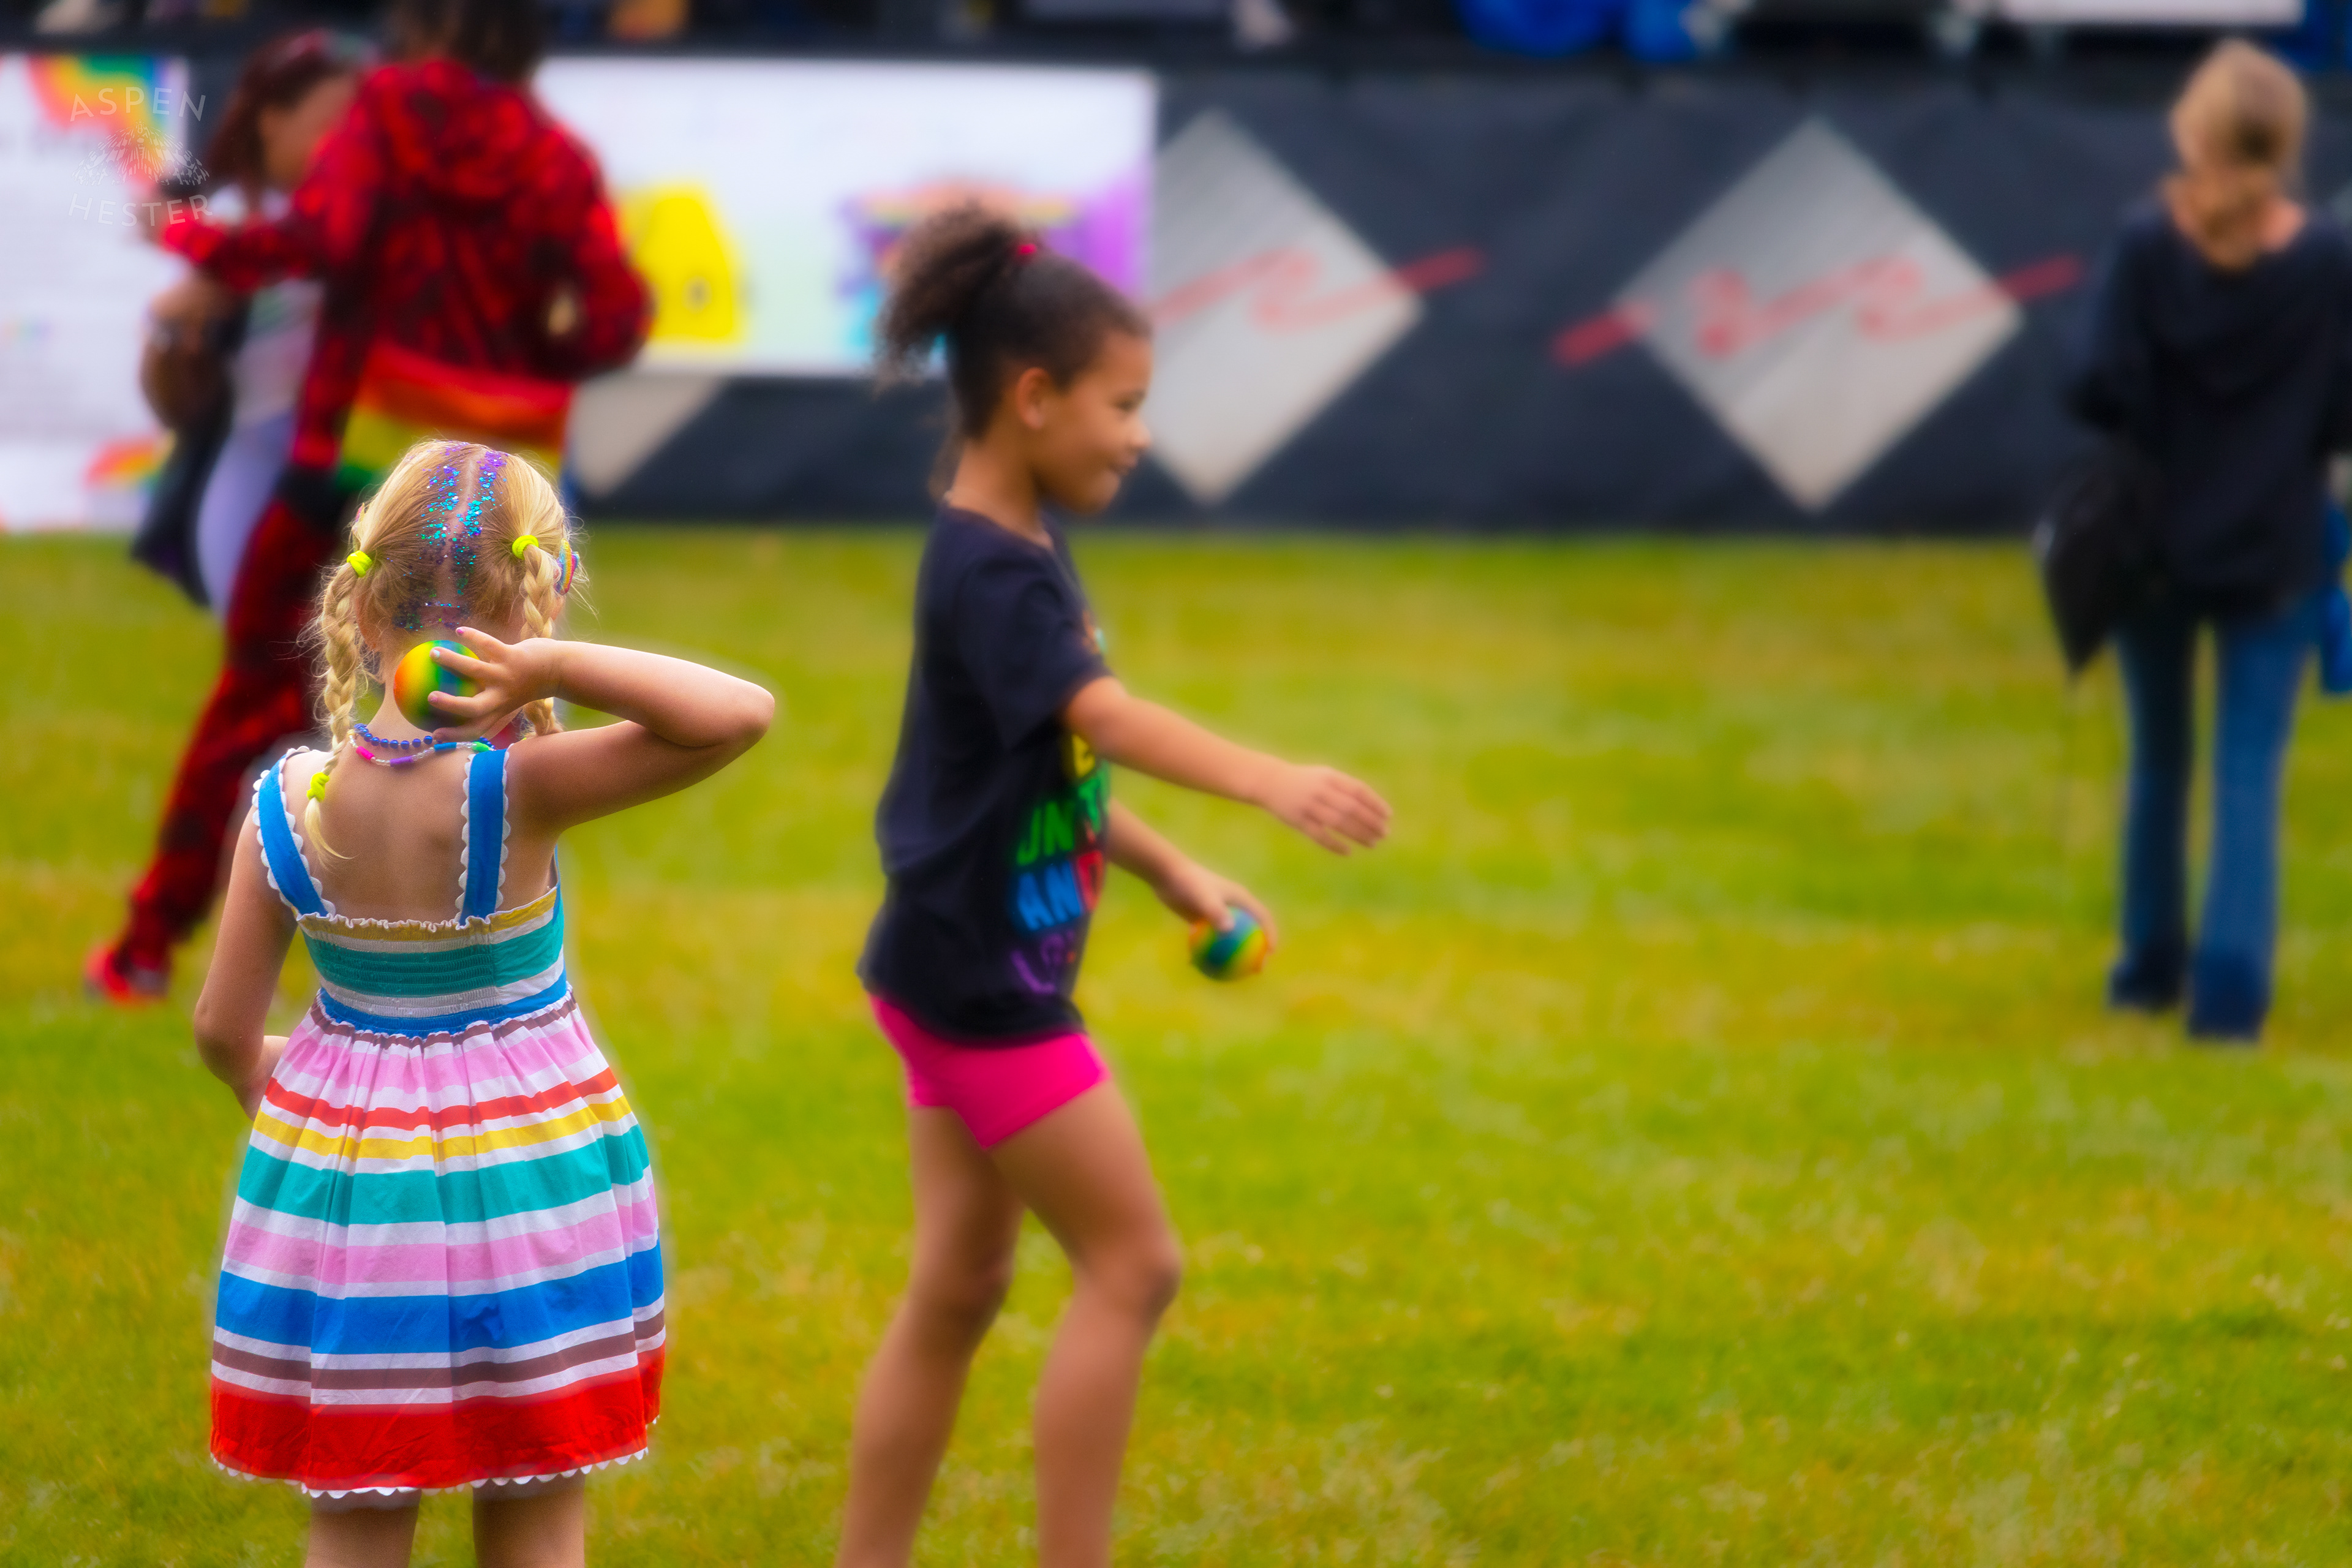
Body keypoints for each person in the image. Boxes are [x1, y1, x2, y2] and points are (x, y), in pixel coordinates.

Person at [839, 207, 1393, 1568]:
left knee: (961, 1284)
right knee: (1136, 1265)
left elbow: (1055, 764)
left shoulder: (1013, 546)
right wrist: (1266, 778)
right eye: (1124, 403)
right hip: (985, 992)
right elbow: (1111, 715)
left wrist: (1169, 869)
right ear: (1034, 399)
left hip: (944, 961)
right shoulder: (996, 577)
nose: (1140, 434)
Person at [192, 440, 773, 1568]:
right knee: (538, 1503)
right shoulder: (521, 791)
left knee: (358, 1506)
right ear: (537, 610)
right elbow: (735, 715)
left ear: (363, 616)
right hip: (528, 1191)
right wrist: (554, 671)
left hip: (354, 1209)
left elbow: (221, 1028)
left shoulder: (284, 807)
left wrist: (299, 1093)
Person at [88, 0, 650, 1003]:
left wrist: (186, 235)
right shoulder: (556, 158)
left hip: (353, 473)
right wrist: (532, 366)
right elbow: (618, 312)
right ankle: (474, 968)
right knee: (498, 729)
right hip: (489, 494)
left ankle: (145, 946)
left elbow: (320, 236)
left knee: (249, 714)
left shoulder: (390, 112)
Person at [2071, 39, 2352, 1042]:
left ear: (2193, 129)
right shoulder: (2325, 259)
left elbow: (2095, 383)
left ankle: (2148, 968)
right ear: (2284, 141)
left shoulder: (2148, 242)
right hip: (2276, 544)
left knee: (2158, 760)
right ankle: (2231, 998)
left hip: (2154, 545)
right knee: (2248, 774)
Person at [138, 29, 367, 612]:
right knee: (254, 645)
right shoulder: (232, 222)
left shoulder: (365, 218)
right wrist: (174, 329)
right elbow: (173, 401)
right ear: (272, 121)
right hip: (256, 458)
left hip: (364, 466)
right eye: (333, 124)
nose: (351, 145)